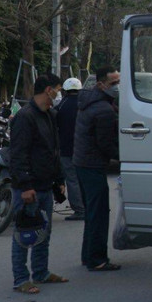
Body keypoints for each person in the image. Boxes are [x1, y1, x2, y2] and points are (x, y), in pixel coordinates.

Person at [8, 73, 68, 293]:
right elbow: (19, 154)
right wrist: (25, 186)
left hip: (45, 185)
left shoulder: (50, 114)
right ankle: (21, 279)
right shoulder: (25, 117)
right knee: (24, 234)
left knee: (44, 233)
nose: (59, 94)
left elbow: (54, 150)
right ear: (48, 90)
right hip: (29, 187)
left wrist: (59, 179)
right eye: (58, 89)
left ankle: (41, 272)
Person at [73, 67, 121, 272]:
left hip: (82, 163)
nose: (117, 87)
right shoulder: (103, 110)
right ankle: (97, 259)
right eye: (113, 83)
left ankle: (88, 255)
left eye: (119, 81)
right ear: (101, 84)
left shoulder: (90, 101)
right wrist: (126, 157)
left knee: (92, 213)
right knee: (99, 213)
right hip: (93, 165)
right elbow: (106, 144)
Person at [55, 77, 85, 222]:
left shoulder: (62, 105)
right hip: (85, 149)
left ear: (65, 91)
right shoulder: (85, 104)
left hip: (67, 149)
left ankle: (79, 210)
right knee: (84, 179)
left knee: (72, 180)